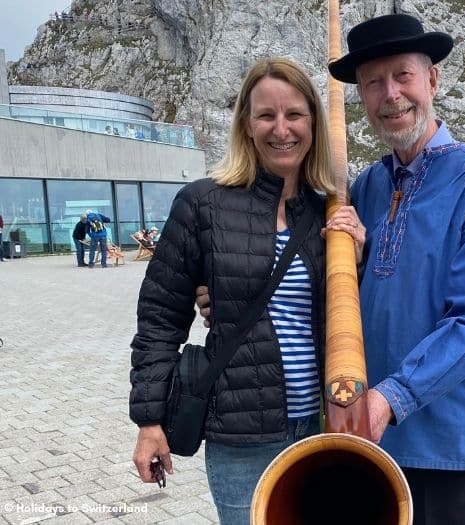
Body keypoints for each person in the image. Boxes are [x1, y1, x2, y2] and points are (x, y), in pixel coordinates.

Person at [327, 14, 465, 524]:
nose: (390, 94)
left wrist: (392, 396)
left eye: (403, 76)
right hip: (373, 437)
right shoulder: (366, 186)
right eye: (372, 82)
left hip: (448, 443)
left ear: (432, 79)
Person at [129, 57, 339, 524]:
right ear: (246, 123)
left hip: (325, 426)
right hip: (242, 437)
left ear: (313, 124)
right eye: (266, 115)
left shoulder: (332, 211)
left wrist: (359, 253)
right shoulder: (203, 204)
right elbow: (160, 319)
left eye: (294, 115)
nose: (280, 129)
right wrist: (148, 422)